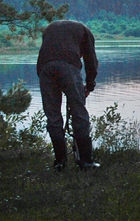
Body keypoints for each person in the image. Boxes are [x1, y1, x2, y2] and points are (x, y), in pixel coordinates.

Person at [36, 19, 100, 170]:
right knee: (79, 112)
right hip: (68, 67)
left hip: (45, 68)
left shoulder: (50, 29)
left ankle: (60, 162)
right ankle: (86, 162)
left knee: (53, 115)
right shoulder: (85, 32)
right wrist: (89, 86)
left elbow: (43, 56)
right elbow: (91, 61)